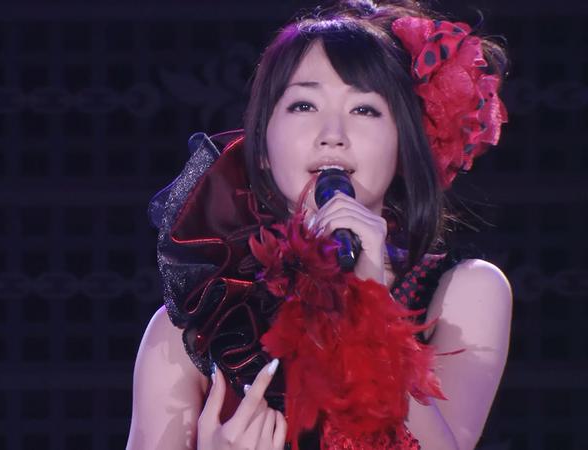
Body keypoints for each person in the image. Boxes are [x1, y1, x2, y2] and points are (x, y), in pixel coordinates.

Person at [127, 0, 512, 448]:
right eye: (304, 105)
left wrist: (372, 309)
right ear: (262, 146)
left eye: (364, 109)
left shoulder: (464, 293)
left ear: (403, 145)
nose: (333, 134)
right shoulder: (193, 328)